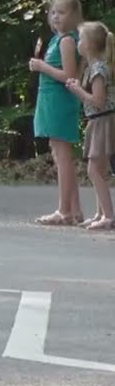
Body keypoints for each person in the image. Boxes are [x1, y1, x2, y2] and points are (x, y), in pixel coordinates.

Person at [29, 0, 85, 224]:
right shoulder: (56, 39)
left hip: (60, 101)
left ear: (73, 16)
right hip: (50, 100)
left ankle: (64, 210)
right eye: (53, 12)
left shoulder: (67, 41)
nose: (56, 17)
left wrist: (42, 67)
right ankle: (75, 210)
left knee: (63, 156)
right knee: (57, 151)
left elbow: (69, 76)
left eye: (61, 13)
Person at [65, 22, 115, 230]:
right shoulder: (94, 67)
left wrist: (79, 93)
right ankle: (100, 212)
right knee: (100, 168)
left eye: (81, 38)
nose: (78, 42)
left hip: (103, 120)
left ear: (89, 45)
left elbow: (98, 101)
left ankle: (109, 216)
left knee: (94, 169)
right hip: (100, 121)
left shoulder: (97, 70)